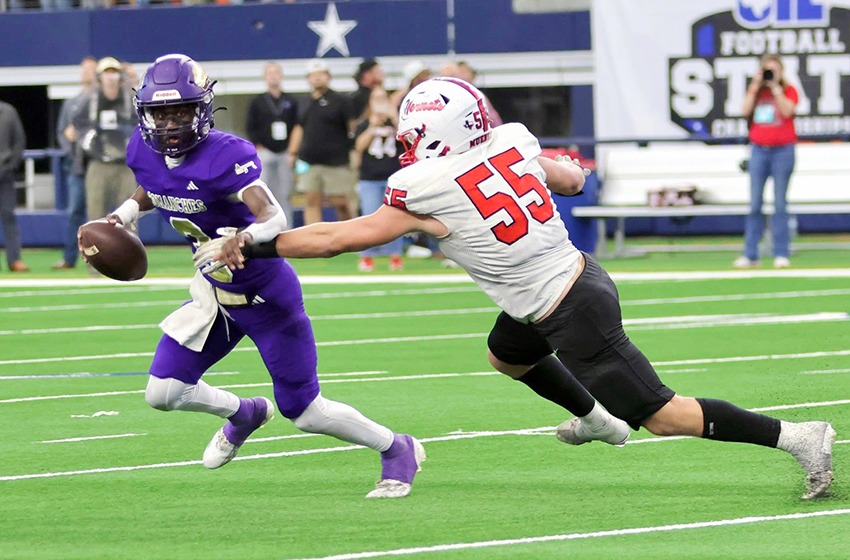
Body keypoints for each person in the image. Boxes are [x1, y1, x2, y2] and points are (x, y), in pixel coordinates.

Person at [197, 77, 836, 501]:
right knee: (506, 355)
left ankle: (798, 436)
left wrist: (255, 243)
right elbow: (573, 179)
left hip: (568, 308)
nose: (408, 145)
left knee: (664, 417)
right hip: (570, 278)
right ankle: (594, 418)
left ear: (432, 134)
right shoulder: (509, 142)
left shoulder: (427, 186)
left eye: (413, 135)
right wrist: (552, 169)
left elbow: (339, 238)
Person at [84, 53, 423, 499]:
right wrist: (123, 215)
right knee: (163, 392)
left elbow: (274, 215)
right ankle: (243, 413)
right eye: (160, 114)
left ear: (202, 109)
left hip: (265, 297)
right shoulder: (142, 150)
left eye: (180, 112)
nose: (169, 125)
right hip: (214, 297)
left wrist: (242, 238)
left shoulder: (226, 155)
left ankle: (396, 447)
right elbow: (156, 184)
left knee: (305, 413)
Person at [736, 54, 799, 269]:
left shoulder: (788, 90)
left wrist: (776, 88)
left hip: (783, 150)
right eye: (767, 70)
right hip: (759, 150)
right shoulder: (756, 91)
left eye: (774, 70)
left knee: (780, 204)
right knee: (755, 203)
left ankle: (781, 252)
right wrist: (755, 85)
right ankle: (750, 253)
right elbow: (744, 110)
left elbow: (788, 111)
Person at [287, 59, 357, 225]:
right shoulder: (304, 102)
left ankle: (349, 233)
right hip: (308, 161)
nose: (317, 78)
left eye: (321, 74)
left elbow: (352, 127)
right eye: (313, 75)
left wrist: (354, 151)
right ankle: (314, 236)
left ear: (328, 76)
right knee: (311, 200)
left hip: (336, 161)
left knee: (340, 201)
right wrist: (292, 152)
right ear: (308, 78)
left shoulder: (341, 100)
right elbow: (299, 127)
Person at [73, 56, 138, 222]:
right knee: (96, 216)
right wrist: (92, 144)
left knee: (128, 215)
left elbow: (139, 125)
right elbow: (78, 125)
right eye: (106, 73)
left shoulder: (129, 100)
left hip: (124, 165)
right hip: (98, 164)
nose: (111, 77)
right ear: (99, 77)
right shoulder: (90, 100)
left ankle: (128, 241)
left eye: (114, 72)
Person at [53, 56, 98, 270]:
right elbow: (62, 133)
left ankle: (105, 257)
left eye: (91, 69)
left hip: (98, 165)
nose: (87, 73)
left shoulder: (102, 101)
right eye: (84, 69)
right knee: (75, 212)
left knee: (102, 213)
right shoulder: (71, 103)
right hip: (78, 167)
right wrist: (71, 148)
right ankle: (69, 257)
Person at [352, 86, 404, 272]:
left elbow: (406, 140)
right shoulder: (364, 124)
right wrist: (372, 127)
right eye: (376, 98)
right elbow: (359, 146)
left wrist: (394, 117)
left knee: (395, 217)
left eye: (383, 98)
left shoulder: (396, 123)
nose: (380, 102)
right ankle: (367, 256)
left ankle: (394, 254)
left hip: (393, 177)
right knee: (369, 216)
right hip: (370, 177)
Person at [245, 62, 300, 228]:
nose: (273, 76)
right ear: (265, 77)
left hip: (285, 152)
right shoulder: (257, 102)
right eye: (270, 73)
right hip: (265, 152)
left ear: (281, 76)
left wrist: (292, 151)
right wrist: (258, 146)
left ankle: (287, 229)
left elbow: (297, 126)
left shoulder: (290, 101)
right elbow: (250, 126)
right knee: (262, 193)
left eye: (276, 73)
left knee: (284, 193)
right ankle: (263, 228)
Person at [0, 99, 29, 273]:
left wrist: (12, 166)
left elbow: (19, 140)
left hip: (5, 173)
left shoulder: (8, 111)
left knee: (8, 216)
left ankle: (14, 259)